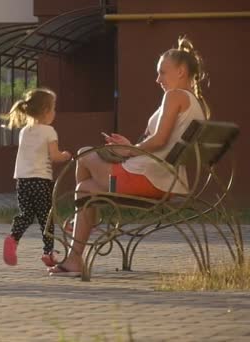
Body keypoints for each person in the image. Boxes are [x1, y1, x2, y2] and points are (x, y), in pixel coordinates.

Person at [50, 36, 209, 276]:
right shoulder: (195, 103)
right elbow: (162, 144)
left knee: (84, 154)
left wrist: (130, 151)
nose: (158, 79)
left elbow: (160, 140)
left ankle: (89, 221)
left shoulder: (175, 96)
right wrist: (130, 147)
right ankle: (75, 259)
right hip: (162, 177)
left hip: (153, 179)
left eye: (162, 72)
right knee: (84, 189)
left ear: (181, 71)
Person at [1, 88, 72, 268]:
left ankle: (13, 238)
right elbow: (54, 156)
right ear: (47, 111)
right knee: (45, 218)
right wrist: (65, 155)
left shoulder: (25, 131)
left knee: (26, 214)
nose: (55, 113)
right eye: (54, 108)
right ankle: (48, 253)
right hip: (41, 181)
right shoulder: (49, 131)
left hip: (23, 181)